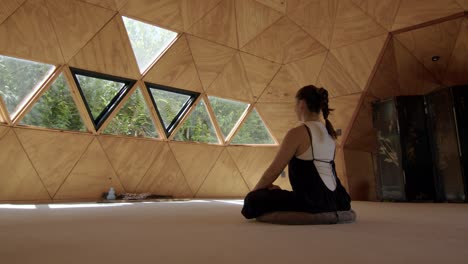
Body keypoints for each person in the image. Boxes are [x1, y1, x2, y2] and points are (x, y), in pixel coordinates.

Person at [241, 85, 351, 219]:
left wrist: (255, 192)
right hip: (337, 199)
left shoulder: (297, 133)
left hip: (311, 201)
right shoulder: (330, 135)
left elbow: (273, 171)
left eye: (295, 104)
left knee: (252, 201)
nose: (294, 109)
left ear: (302, 104)